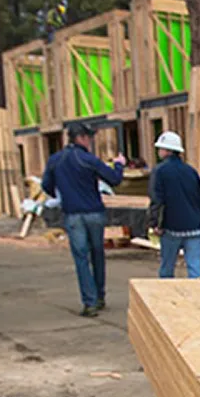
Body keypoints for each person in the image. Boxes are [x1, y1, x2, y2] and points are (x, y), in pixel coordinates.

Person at [42, 122, 124, 317]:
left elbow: (46, 185)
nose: (90, 141)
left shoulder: (56, 160)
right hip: (94, 212)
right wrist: (119, 164)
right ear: (81, 138)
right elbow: (114, 179)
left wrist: (63, 195)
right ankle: (100, 295)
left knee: (81, 258)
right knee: (97, 254)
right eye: (89, 138)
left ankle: (90, 301)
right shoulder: (88, 159)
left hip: (72, 214)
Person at [148, 131, 200, 279]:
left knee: (167, 267)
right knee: (194, 268)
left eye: (160, 148)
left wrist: (155, 223)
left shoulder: (160, 171)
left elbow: (157, 199)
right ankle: (198, 298)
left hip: (171, 227)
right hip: (193, 227)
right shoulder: (191, 171)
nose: (158, 151)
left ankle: (168, 298)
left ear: (167, 151)